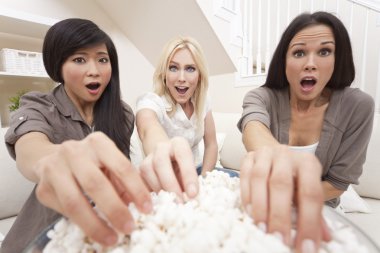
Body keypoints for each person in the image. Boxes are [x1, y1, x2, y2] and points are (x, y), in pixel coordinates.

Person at [1, 19, 199, 253]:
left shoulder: (123, 113)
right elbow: (30, 148)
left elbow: (150, 131)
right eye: (79, 59)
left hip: (104, 237)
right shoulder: (39, 106)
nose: (94, 70)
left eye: (102, 59)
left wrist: (162, 148)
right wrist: (52, 159)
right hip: (44, 238)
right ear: (58, 66)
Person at [238, 11, 374, 252]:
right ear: (284, 61)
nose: (310, 63)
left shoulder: (358, 106)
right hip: (268, 205)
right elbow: (253, 125)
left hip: (321, 209)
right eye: (299, 52)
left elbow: (337, 184)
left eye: (324, 51)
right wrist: (277, 158)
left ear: (337, 58)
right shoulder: (262, 96)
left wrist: (289, 198)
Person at [135, 36, 225, 181]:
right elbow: (147, 127)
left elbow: (211, 145)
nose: (181, 78)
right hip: (165, 178)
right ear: (164, 74)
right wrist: (164, 152)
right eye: (173, 68)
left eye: (190, 68)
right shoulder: (152, 102)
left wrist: (203, 181)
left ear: (199, 75)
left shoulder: (203, 100)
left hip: (199, 171)